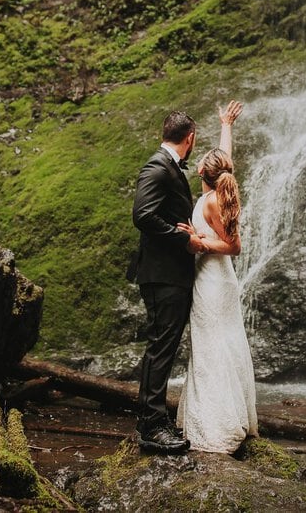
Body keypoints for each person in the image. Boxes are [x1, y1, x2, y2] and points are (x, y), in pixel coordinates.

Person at [176, 101, 258, 453]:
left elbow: (233, 246)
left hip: (213, 279)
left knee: (211, 345)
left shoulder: (210, 201)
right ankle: (224, 412)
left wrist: (198, 242)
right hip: (215, 280)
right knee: (221, 341)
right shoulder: (219, 188)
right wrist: (226, 124)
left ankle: (217, 424)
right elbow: (225, 157)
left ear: (204, 176)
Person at [130, 110, 207, 453]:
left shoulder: (167, 165)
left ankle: (154, 418)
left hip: (170, 274)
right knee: (161, 345)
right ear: (189, 137)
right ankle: (150, 425)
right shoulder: (158, 166)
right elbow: (143, 215)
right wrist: (183, 240)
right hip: (163, 274)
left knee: (164, 344)